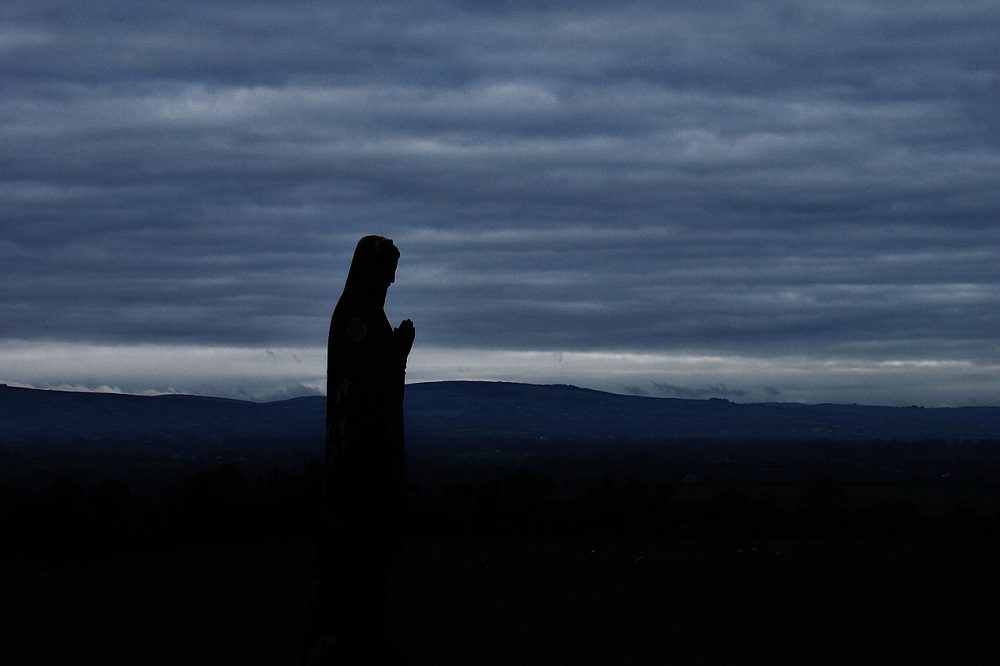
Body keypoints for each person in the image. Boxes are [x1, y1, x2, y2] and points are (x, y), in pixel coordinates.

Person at [304, 235, 415, 665]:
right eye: (387, 274)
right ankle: (352, 634)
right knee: (360, 542)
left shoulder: (369, 316)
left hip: (373, 451)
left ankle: (369, 630)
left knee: (376, 543)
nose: (391, 282)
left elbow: (379, 377)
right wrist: (396, 355)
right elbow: (367, 383)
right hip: (359, 456)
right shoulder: (357, 318)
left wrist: (397, 353)